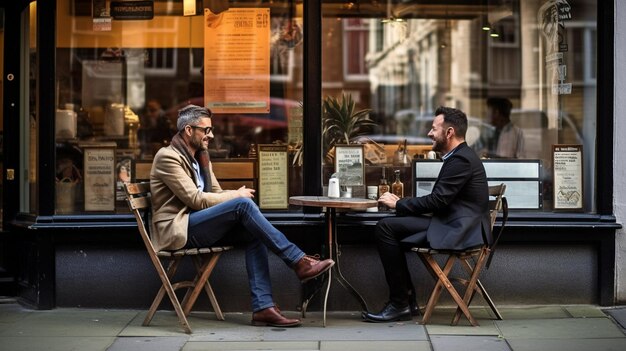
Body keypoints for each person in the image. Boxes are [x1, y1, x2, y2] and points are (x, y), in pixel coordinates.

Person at [150, 104, 335, 327]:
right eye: (206, 130)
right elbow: (196, 199)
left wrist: (234, 196)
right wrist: (237, 195)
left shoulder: (200, 158)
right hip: (177, 229)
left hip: (198, 222)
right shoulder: (167, 157)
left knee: (251, 230)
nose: (212, 135)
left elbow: (215, 194)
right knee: (242, 205)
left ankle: (263, 308)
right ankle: (298, 261)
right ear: (189, 130)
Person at [362, 106, 491, 323]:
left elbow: (437, 201)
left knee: (386, 228)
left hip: (458, 230)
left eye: (434, 129)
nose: (429, 134)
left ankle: (400, 303)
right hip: (454, 223)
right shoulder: (459, 156)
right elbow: (440, 201)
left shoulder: (461, 160)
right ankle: (407, 300)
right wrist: (402, 206)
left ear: (449, 132)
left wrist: (399, 204)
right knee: (393, 228)